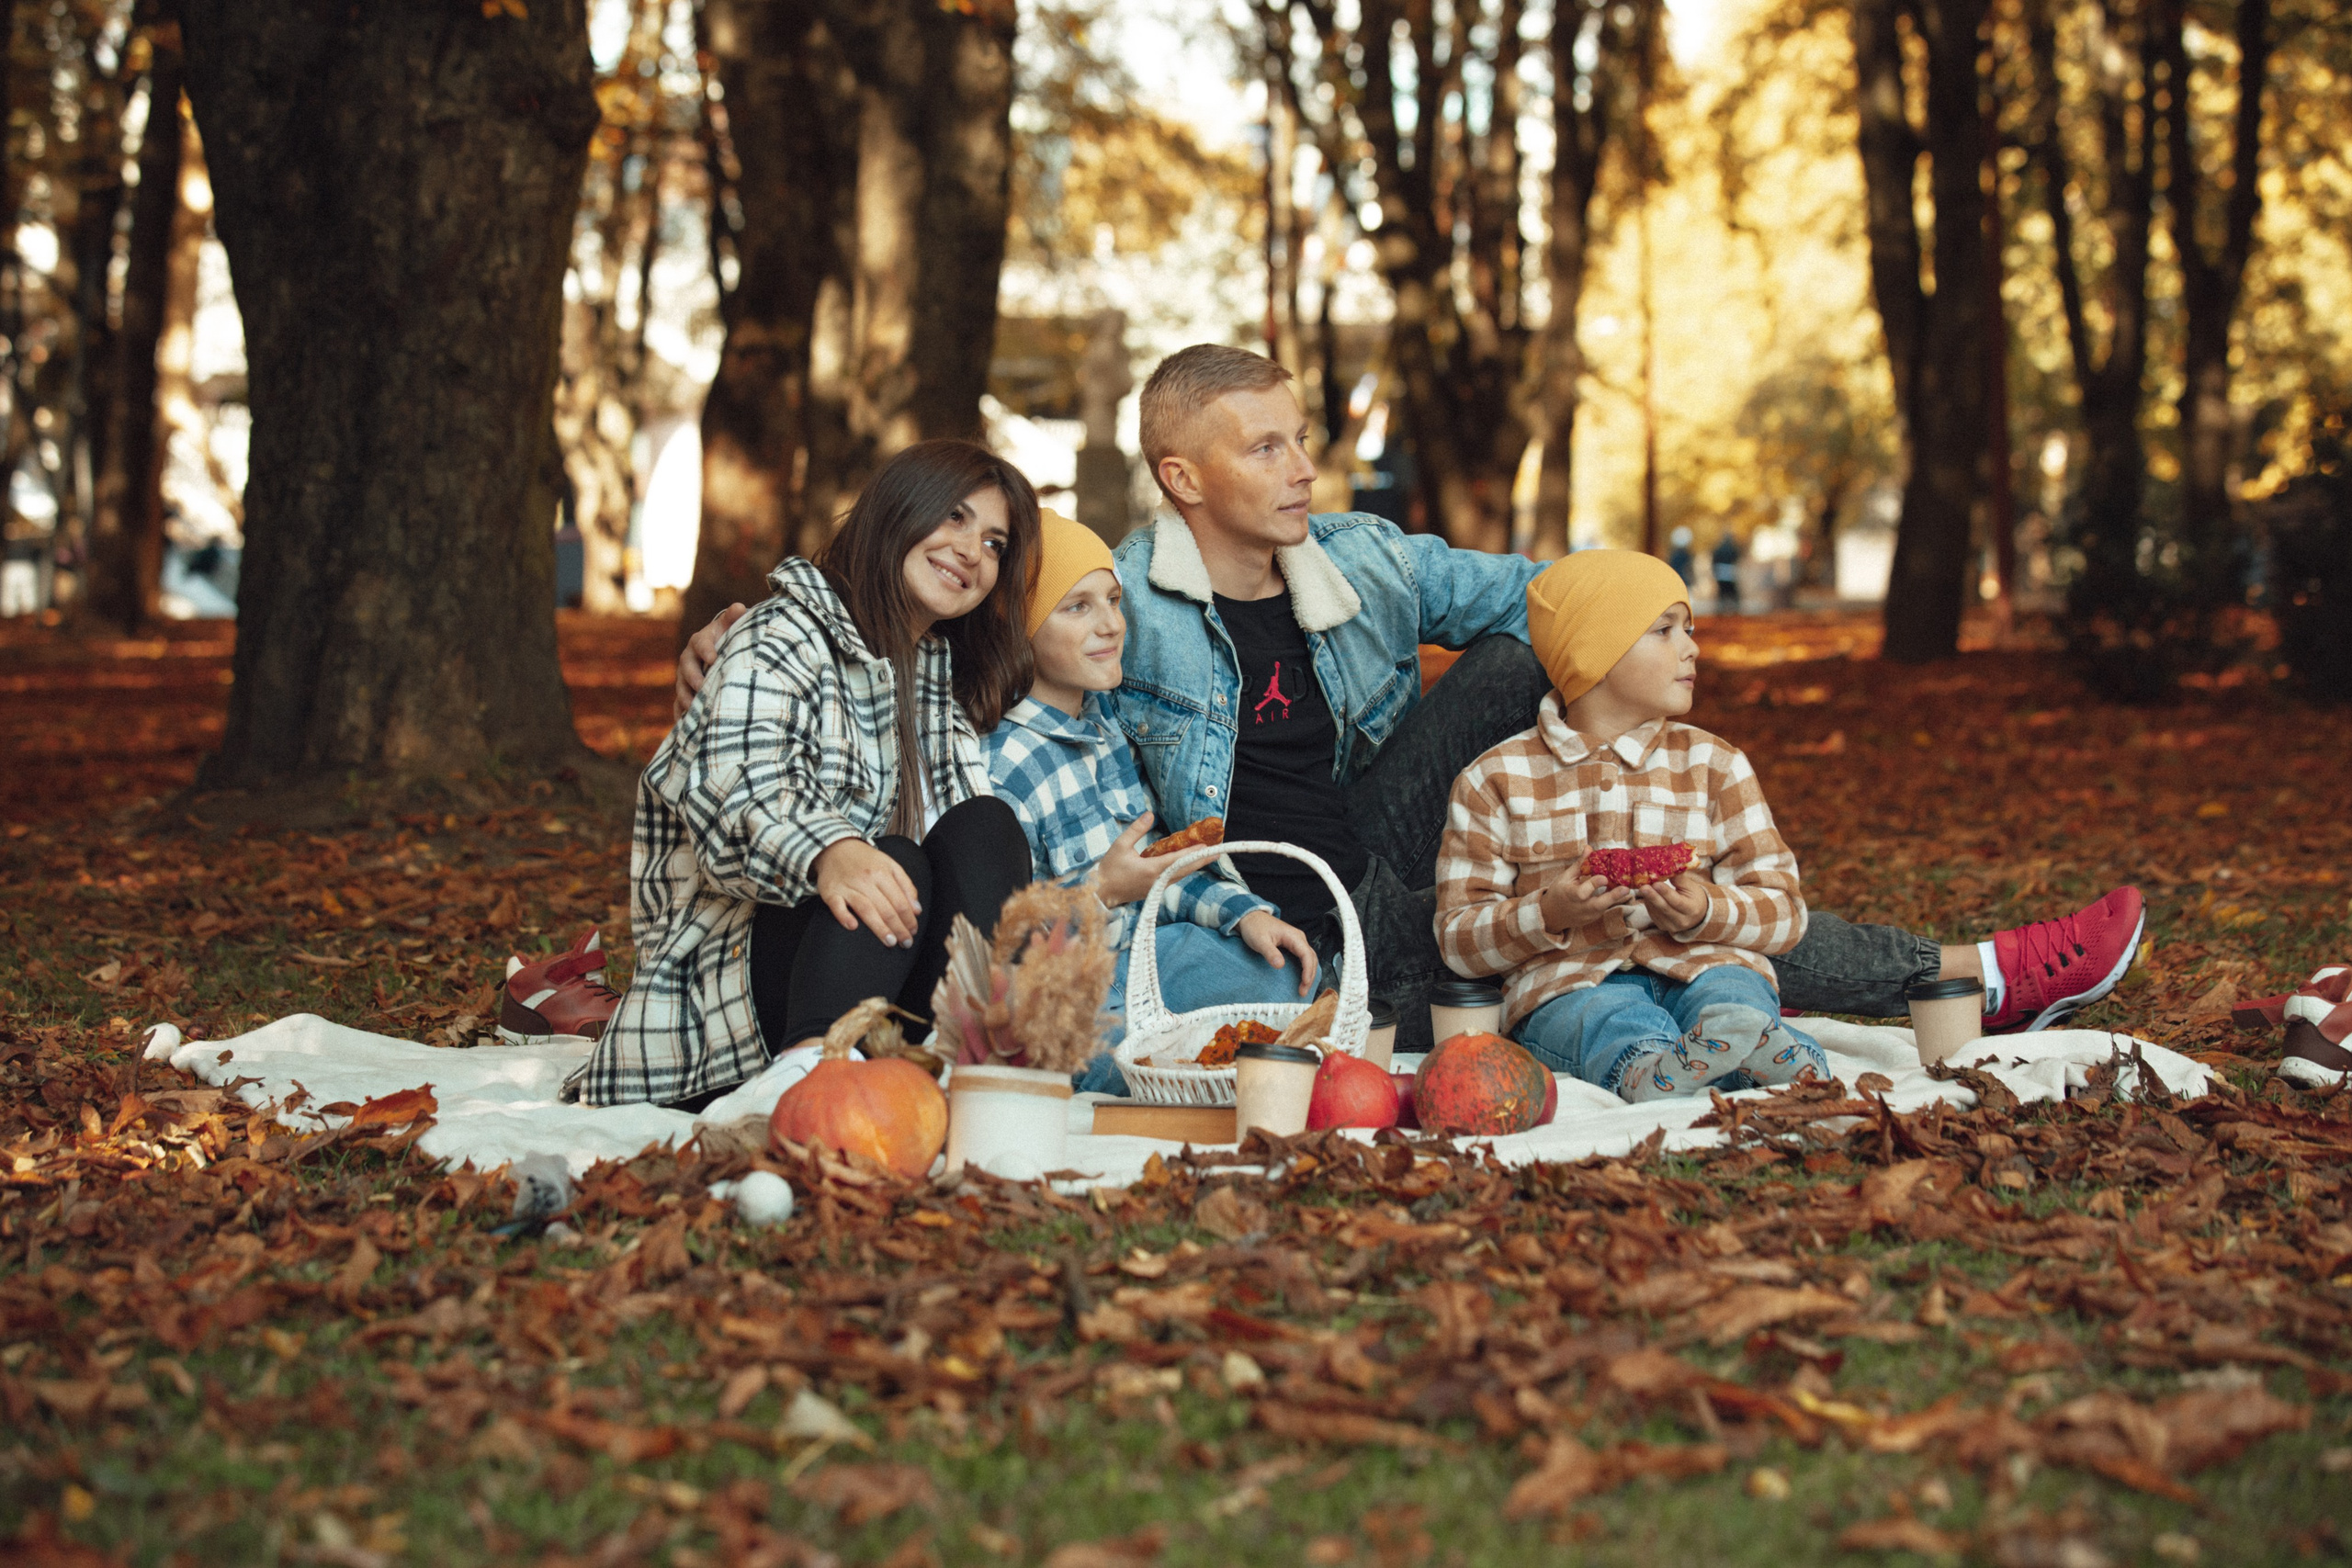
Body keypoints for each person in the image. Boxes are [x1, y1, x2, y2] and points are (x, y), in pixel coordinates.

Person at [674, 348, 2145, 1049]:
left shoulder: (1368, 559)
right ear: (1185, 477)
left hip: (1404, 849)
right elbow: (962, 652)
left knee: (1530, 671)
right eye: (1265, 449)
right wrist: (738, 630)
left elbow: (1551, 604)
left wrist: (1652, 626)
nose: (1303, 468)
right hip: (1297, 908)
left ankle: (1943, 963)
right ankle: (1961, 968)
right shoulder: (1113, 601)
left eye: (1302, 439)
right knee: (1620, 897)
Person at [573, 440, 1041, 1109]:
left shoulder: (937, 678)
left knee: (986, 827)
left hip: (885, 983)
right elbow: (735, 790)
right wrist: (829, 849)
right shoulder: (782, 634)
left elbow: (969, 865)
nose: (973, 550)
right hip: (743, 998)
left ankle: (975, 1067)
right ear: (897, 510)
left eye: (996, 543)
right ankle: (807, 1080)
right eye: (956, 517)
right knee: (895, 858)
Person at [1437, 551, 1828, 1100]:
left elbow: (1786, 912)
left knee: (1732, 993)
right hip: (1571, 981)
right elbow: (1457, 938)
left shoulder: (1716, 765)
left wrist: (1707, 909)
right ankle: (1654, 1072)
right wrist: (1548, 912)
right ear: (1595, 653)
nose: (1692, 647)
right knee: (1597, 1018)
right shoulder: (1492, 779)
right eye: (1664, 630)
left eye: (1688, 628)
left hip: (1706, 964)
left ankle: (1758, 1049)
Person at [987, 512, 1320, 1092]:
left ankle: (1175, 1055)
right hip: (1073, 996)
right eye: (1077, 607)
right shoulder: (1004, 764)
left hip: (1149, 959)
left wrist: (1244, 913)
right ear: (1021, 630)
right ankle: (1129, 1068)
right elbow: (1005, 943)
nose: (1111, 624)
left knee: (1283, 972)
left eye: (1113, 599)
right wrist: (1102, 891)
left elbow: (1157, 871)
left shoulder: (1106, 725)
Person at [1712, 531, 1743, 614]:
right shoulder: (1733, 548)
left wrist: (1715, 572)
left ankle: (1720, 610)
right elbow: (1737, 558)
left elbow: (1714, 560)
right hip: (1730, 573)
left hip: (1720, 574)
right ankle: (1736, 610)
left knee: (1722, 593)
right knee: (1733, 593)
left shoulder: (1718, 548)